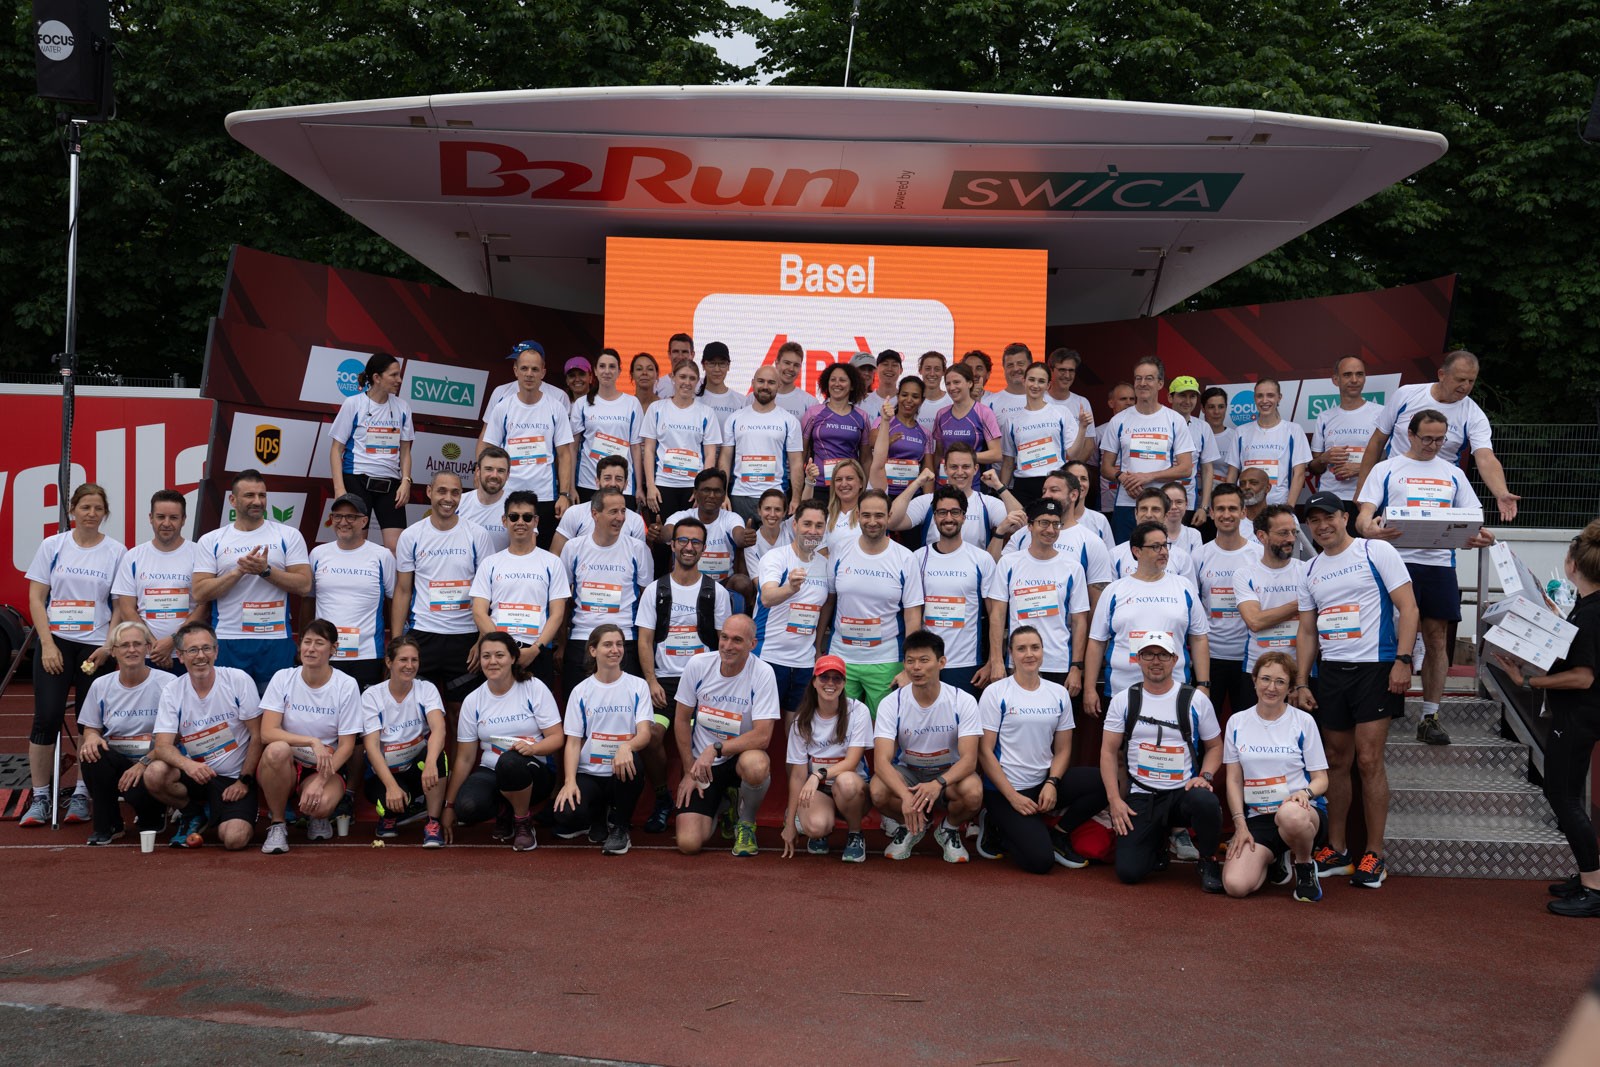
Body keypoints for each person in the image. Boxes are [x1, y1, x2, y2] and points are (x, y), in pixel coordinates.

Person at [1292, 490, 1420, 889]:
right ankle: (1338, 849)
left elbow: (1409, 607)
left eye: (1328, 516)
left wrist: (1403, 660)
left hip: (1376, 668)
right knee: (1336, 760)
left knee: (1368, 760)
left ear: (1345, 517)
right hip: (1332, 672)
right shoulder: (1309, 569)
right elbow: (1307, 631)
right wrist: (1302, 681)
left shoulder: (1374, 551)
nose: (1322, 525)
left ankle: (1374, 854)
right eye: (1314, 520)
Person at [1357, 408, 1496, 745]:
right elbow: (1363, 517)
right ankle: (1381, 712)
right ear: (1410, 434)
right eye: (1427, 438)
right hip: (1394, 562)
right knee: (1387, 636)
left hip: (1438, 564)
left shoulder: (1453, 473)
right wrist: (1369, 529)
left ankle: (1430, 716)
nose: (1433, 445)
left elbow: (1474, 520)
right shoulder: (1386, 468)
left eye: (1440, 439)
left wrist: (1482, 536)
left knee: (1436, 639)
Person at [1490, 520, 1600, 918]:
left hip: (1578, 716)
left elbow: (1583, 676)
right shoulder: (1587, 608)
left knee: (1563, 797)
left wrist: (1528, 680)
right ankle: (1589, 875)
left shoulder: (1589, 615)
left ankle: (1593, 886)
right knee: (1566, 796)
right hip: (1580, 715)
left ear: (1572, 565)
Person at [19, 482, 124, 827]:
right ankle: (40, 797)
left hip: (95, 647)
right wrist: (47, 644)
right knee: (47, 717)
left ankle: (81, 792)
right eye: (85, 507)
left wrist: (108, 646)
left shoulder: (116, 551)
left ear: (105, 513)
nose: (91, 514)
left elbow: (120, 604)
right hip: (57, 643)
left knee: (88, 721)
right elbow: (36, 598)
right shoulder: (53, 546)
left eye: (98, 508)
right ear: (72, 510)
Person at [976, 625, 1110, 873]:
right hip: (1006, 790)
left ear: (1042, 651)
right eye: (1021, 649)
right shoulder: (996, 693)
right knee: (1040, 862)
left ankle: (1059, 833)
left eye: (1035, 647)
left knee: (1106, 782)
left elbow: (1063, 749)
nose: (1029, 654)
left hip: (1042, 784)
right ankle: (995, 822)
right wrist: (1013, 797)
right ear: (1011, 654)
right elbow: (984, 752)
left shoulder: (1058, 693)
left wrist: (1052, 783)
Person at [1099, 632, 1224, 891]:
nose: (1156, 661)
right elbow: (1109, 751)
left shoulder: (1196, 699)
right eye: (1148, 654)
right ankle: (1157, 843)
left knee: (1206, 801)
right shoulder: (1124, 700)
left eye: (1163, 655)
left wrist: (1205, 776)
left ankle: (1208, 859)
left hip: (1183, 792)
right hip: (1142, 794)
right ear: (1138, 659)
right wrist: (1115, 800)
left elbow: (1215, 746)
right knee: (1129, 872)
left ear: (1175, 660)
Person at [638, 515, 733, 831]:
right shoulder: (656, 590)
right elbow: (645, 640)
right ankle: (662, 797)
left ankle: (713, 798)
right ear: (672, 545)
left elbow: (724, 643)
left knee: (700, 739)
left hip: (704, 684)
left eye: (695, 542)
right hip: (665, 683)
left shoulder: (716, 592)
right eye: (683, 540)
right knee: (651, 736)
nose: (689, 547)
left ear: (704, 548)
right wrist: (651, 680)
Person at [1357, 348, 1518, 520]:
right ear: (1442, 374)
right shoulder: (1406, 394)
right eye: (1460, 379)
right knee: (1388, 534)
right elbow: (1377, 441)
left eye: (1471, 381)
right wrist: (1362, 489)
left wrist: (1501, 492)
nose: (1465, 386)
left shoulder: (1473, 414)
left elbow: (1485, 457)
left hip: (1440, 491)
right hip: (1397, 485)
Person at [1221, 650, 1330, 902]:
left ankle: (1304, 865)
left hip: (1302, 814)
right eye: (1266, 679)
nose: (1271, 687)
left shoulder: (1303, 722)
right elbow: (1234, 780)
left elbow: (1321, 779)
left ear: (1290, 688)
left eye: (1280, 682)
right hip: (1259, 816)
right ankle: (1275, 855)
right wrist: (1240, 825)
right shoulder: (1237, 722)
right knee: (1236, 886)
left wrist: (1305, 793)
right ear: (1254, 680)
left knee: (1290, 815)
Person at [145, 620, 263, 850]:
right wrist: (188, 765)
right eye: (192, 650)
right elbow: (162, 746)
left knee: (235, 839)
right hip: (196, 775)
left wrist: (244, 781)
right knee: (155, 773)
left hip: (233, 778)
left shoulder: (238, 680)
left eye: (206, 648)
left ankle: (222, 813)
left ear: (216, 652)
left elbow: (257, 736)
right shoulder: (173, 690)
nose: (201, 656)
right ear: (180, 656)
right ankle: (192, 813)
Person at [193, 470, 312, 694]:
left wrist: (266, 571)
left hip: (275, 639)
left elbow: (304, 585)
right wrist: (238, 572)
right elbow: (199, 592)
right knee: (230, 708)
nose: (257, 501)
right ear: (233, 500)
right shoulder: (211, 540)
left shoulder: (288, 535)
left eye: (262, 495)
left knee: (275, 709)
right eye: (249, 495)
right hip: (228, 639)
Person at [443, 631, 563, 851]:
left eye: (499, 655)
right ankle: (504, 810)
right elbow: (465, 758)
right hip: (492, 769)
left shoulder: (533, 687)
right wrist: (449, 805)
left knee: (510, 762)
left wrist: (533, 748)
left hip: (533, 770)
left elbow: (557, 737)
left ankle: (522, 822)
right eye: (486, 656)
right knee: (467, 807)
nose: (492, 661)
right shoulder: (473, 700)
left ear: (513, 658)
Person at [869, 631, 982, 862]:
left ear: (942, 662)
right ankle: (911, 826)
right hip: (908, 774)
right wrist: (905, 797)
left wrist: (937, 783)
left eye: (924, 660)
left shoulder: (962, 700)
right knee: (878, 789)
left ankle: (948, 828)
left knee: (973, 792)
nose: (916, 668)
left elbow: (969, 760)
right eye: (910, 661)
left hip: (947, 776)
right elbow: (881, 761)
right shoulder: (891, 703)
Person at [672, 615, 780, 857]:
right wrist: (689, 769)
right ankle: (725, 804)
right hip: (703, 765)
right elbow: (681, 719)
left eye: (737, 640)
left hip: (739, 758)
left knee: (757, 765)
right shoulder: (698, 664)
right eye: (724, 637)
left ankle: (746, 822)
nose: (728, 646)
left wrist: (716, 748)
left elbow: (763, 736)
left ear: (752, 644)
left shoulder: (763, 673)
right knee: (688, 844)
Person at [257, 621, 364, 853]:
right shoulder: (283, 677)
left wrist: (320, 781)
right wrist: (312, 741)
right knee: (276, 749)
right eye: (307, 642)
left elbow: (346, 746)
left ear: (333, 649)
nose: (311, 649)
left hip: (324, 765)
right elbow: (267, 732)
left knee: (321, 805)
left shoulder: (346, 685)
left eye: (319, 643)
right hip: (286, 761)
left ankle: (317, 816)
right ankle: (277, 824)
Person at [392, 471, 496, 710]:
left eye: (455, 493)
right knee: (416, 711)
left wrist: (482, 639)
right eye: (442, 491)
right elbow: (403, 590)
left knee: (461, 712)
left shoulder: (477, 535)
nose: (448, 498)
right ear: (429, 492)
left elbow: (488, 592)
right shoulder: (411, 536)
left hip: (465, 637)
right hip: (423, 634)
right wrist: (397, 644)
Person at [1084, 521, 1210, 714]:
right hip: (1122, 690)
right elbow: (1096, 641)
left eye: (1165, 545)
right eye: (1155, 546)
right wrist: (1089, 688)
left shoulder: (1184, 587)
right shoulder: (1114, 590)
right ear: (1137, 551)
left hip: (1175, 690)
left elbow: (1199, 638)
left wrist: (1203, 684)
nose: (1164, 552)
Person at [552, 624, 654, 856]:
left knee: (634, 764)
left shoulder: (637, 686)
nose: (615, 650)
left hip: (622, 770)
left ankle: (620, 828)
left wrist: (627, 746)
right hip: (590, 772)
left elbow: (645, 733)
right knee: (565, 815)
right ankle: (598, 816)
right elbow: (573, 742)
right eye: (607, 644)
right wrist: (569, 781)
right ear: (593, 650)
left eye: (619, 644)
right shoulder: (580, 691)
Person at [76, 621, 175, 845]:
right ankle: (108, 824)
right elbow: (91, 727)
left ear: (147, 648)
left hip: (153, 760)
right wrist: (91, 737)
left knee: (145, 783)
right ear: (113, 651)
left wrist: (144, 763)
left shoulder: (168, 683)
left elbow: (176, 735)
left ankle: (153, 813)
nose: (132, 650)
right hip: (117, 759)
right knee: (91, 754)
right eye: (125, 645)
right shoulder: (100, 685)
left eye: (137, 644)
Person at [828, 490, 925, 715]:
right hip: (842, 657)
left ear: (889, 516)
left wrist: (909, 665)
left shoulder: (905, 557)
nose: (872, 522)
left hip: (886, 660)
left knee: (883, 728)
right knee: (841, 725)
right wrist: (817, 648)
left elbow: (912, 615)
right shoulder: (840, 550)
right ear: (858, 516)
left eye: (879, 515)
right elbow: (830, 600)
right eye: (866, 515)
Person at [469, 489, 571, 696]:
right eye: (514, 517)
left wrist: (535, 649)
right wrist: (504, 649)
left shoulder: (552, 563)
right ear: (504, 520)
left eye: (527, 517)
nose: (520, 522)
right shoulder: (490, 563)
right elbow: (479, 611)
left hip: (537, 652)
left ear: (536, 521)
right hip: (497, 653)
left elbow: (557, 614)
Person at [558, 486, 655, 702]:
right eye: (613, 512)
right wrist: (562, 644)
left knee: (624, 708)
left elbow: (646, 601)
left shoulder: (638, 549)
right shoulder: (573, 548)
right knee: (578, 706)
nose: (620, 518)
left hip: (624, 639)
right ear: (595, 513)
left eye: (623, 511)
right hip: (582, 638)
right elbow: (563, 600)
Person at [985, 499, 1090, 691]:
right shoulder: (1009, 563)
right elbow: (997, 615)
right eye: (1044, 523)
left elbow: (1079, 621)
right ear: (1030, 526)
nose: (1050, 530)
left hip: (1058, 663)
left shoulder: (1073, 568)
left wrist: (1076, 666)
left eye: (1056, 524)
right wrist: (996, 660)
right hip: (1018, 662)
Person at [480, 343, 576, 546]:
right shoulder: (503, 407)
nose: (529, 374)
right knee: (506, 550)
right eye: (524, 368)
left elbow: (564, 455)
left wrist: (564, 494)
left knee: (540, 552)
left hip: (545, 496)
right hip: (508, 493)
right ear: (516, 371)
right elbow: (488, 449)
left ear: (543, 373)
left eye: (534, 369)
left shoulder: (556, 408)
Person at [780, 655, 872, 862]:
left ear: (844, 683)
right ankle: (818, 829)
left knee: (847, 782)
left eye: (836, 678)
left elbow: (852, 762)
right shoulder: (801, 721)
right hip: (820, 791)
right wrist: (789, 824)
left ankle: (855, 834)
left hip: (853, 789)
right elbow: (797, 776)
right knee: (815, 827)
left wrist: (818, 775)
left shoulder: (858, 711)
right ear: (814, 681)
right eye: (824, 677)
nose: (830, 683)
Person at [360, 635, 447, 846]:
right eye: (403, 660)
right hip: (384, 773)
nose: (410, 666)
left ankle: (433, 823)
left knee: (437, 757)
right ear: (389, 662)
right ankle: (392, 815)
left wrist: (430, 764)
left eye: (414, 660)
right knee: (390, 805)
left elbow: (439, 729)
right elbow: (371, 747)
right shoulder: (372, 695)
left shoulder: (426, 689)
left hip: (416, 767)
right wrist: (390, 786)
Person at [1101, 358, 1195, 543]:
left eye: (1149, 378)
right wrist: (1124, 478)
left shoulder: (1174, 419)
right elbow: (1106, 468)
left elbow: (1186, 468)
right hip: (1127, 502)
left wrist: (1148, 477)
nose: (1142, 383)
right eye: (1138, 378)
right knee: (1125, 554)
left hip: (1162, 503)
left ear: (1160, 383)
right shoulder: (1118, 420)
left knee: (1160, 553)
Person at [308, 494, 396, 691]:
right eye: (338, 516)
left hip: (367, 655)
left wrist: (394, 646)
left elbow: (394, 602)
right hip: (326, 653)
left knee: (365, 709)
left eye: (351, 517)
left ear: (364, 521)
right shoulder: (318, 554)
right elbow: (308, 601)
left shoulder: (382, 556)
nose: (343, 522)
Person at [329, 352, 414, 552]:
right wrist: (339, 490)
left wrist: (406, 481)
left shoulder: (403, 407)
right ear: (377, 377)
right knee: (356, 543)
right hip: (356, 479)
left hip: (391, 483)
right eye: (393, 375)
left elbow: (405, 451)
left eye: (399, 374)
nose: (399, 380)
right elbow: (336, 450)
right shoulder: (353, 404)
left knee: (396, 547)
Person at [917, 487, 1001, 691]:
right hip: (926, 663)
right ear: (934, 517)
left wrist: (992, 661)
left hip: (968, 664)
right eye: (942, 512)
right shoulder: (918, 558)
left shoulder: (982, 559)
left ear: (964, 516)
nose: (948, 518)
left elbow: (995, 614)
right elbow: (912, 614)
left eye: (955, 512)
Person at [111, 489, 203, 675]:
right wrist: (154, 645)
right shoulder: (133, 557)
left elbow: (204, 606)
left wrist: (173, 641)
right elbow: (127, 608)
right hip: (147, 654)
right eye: (161, 517)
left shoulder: (199, 554)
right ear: (151, 518)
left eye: (173, 518)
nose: (166, 523)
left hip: (188, 653)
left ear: (184, 520)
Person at [755, 500, 834, 713]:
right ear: (795, 525)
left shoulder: (825, 564)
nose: (813, 531)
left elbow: (826, 606)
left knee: (798, 722)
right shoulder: (776, 558)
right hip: (769, 656)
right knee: (764, 721)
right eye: (807, 524)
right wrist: (790, 588)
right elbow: (767, 597)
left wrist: (817, 648)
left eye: (819, 526)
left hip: (804, 661)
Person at [1194, 484, 1259, 722]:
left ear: (1243, 512)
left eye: (1232, 508)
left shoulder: (1258, 554)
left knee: (1249, 725)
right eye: (1220, 509)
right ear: (1211, 513)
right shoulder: (1199, 555)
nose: (1226, 514)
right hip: (1211, 656)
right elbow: (1194, 608)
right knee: (1205, 725)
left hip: (1249, 657)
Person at [720, 364, 804, 522]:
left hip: (776, 496)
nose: (765, 386)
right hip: (740, 496)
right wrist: (723, 494)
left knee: (774, 539)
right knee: (740, 538)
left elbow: (796, 463)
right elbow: (725, 458)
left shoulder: (789, 421)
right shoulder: (735, 418)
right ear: (753, 383)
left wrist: (795, 498)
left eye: (771, 382)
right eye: (761, 381)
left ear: (779, 385)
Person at [642, 358, 723, 521]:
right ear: (673, 378)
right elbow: (649, 450)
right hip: (663, 485)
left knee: (692, 534)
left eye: (692, 378)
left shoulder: (706, 413)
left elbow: (710, 455)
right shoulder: (656, 409)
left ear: (698, 382)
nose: (687, 382)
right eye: (682, 377)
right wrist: (650, 485)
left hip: (692, 489)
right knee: (663, 535)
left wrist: (702, 488)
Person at [890, 445, 1015, 549]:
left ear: (976, 469)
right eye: (954, 467)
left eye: (966, 467)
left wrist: (999, 486)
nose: (960, 472)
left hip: (974, 570)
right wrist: (916, 483)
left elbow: (1018, 526)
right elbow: (891, 522)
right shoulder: (927, 501)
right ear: (945, 469)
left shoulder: (987, 503)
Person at [1309, 355, 1384, 530]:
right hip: (1330, 499)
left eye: (1359, 374)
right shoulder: (1325, 417)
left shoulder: (1381, 413)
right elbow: (1314, 468)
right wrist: (1324, 458)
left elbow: (1392, 460)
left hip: (1366, 499)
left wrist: (1360, 469)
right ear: (1336, 380)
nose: (1354, 380)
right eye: (1347, 374)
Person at [663, 468, 757, 604]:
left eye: (717, 491)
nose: (712, 495)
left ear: (724, 495)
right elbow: (667, 533)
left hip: (723, 584)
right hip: (688, 581)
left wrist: (744, 537)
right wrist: (660, 533)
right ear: (695, 493)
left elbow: (738, 535)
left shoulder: (732, 518)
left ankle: (737, 617)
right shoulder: (681, 516)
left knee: (742, 583)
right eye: (706, 490)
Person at [1235, 505, 1310, 673]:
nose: (1291, 539)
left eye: (1293, 532)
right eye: (1283, 533)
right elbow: (1255, 621)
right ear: (1262, 536)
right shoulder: (1245, 574)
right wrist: (1304, 601)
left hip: (1300, 670)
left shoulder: (1307, 570)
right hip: (1257, 670)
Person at [1000, 361, 1082, 508]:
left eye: (1041, 381)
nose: (1035, 385)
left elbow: (1073, 454)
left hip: (1055, 481)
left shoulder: (1061, 412)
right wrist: (1002, 494)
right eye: (1031, 380)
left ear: (1048, 385)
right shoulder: (1011, 421)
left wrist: (1083, 427)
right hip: (1023, 485)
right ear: (1024, 381)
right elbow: (1008, 462)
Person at [571, 349, 647, 506]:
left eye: (612, 367)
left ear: (619, 371)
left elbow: (635, 447)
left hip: (623, 485)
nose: (607, 371)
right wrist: (570, 486)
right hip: (588, 482)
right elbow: (572, 448)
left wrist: (639, 487)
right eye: (602, 366)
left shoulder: (632, 403)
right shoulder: (581, 404)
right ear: (595, 371)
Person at [1224, 379, 1309, 507]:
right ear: (1254, 398)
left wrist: (1289, 507)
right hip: (1246, 507)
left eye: (1270, 395)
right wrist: (1231, 504)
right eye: (1260, 396)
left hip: (1278, 506)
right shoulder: (1241, 431)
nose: (1264, 400)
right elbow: (1232, 473)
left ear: (1279, 398)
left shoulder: (1294, 430)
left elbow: (1299, 474)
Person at [802, 362, 873, 506]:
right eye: (833, 380)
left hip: (848, 487)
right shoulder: (813, 413)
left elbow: (866, 459)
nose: (837, 384)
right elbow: (802, 453)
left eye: (842, 380)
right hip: (819, 485)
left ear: (852, 386)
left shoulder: (862, 416)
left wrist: (863, 491)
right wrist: (799, 491)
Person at [548, 454, 648, 556]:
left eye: (618, 479)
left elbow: (640, 558)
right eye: (607, 478)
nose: (613, 484)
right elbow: (556, 554)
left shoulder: (636, 521)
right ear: (597, 481)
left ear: (626, 484)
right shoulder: (575, 513)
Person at [1109, 488, 1199, 587]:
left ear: (1165, 515)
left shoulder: (1182, 557)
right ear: (1136, 513)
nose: (1148, 515)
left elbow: (1190, 594)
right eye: (1144, 509)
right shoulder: (1115, 555)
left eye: (1155, 509)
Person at [869, 375, 933, 502]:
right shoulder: (883, 421)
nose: (909, 400)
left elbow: (928, 470)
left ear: (922, 400)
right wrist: (889, 441)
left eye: (915, 396)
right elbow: (871, 443)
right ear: (898, 396)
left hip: (913, 496)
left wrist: (928, 503)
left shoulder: (925, 433)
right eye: (904, 395)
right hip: (884, 494)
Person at [1166, 375, 1220, 526]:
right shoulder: (1158, 423)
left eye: (1192, 396)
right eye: (1182, 395)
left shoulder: (1203, 427)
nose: (1188, 401)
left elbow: (1207, 469)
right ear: (1170, 397)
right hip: (1160, 500)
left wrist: (1203, 507)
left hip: (1188, 502)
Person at [931, 362, 1002, 473]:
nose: (952, 387)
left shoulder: (984, 412)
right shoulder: (941, 414)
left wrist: (963, 458)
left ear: (969, 383)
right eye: (948, 383)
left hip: (974, 481)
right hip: (946, 481)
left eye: (956, 382)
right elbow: (939, 453)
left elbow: (996, 454)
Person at [455, 445, 512, 551]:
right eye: (489, 469)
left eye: (500, 471)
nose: (494, 475)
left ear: (508, 474)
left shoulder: (516, 506)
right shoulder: (459, 502)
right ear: (478, 471)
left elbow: (526, 550)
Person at [1095, 380, 1136, 518]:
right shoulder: (1099, 432)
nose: (1129, 403)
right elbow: (1093, 467)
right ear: (1111, 403)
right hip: (1106, 502)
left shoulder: (1144, 430)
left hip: (1134, 500)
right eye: (1123, 399)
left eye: (1132, 399)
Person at [816, 457, 867, 556]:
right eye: (839, 479)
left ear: (861, 482)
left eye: (849, 478)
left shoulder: (869, 514)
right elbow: (822, 554)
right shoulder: (826, 517)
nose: (844, 484)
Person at [1064, 459, 1116, 554]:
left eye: (1083, 479)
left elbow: (1111, 556)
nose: (1079, 483)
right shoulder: (1053, 518)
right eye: (1073, 478)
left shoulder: (1099, 520)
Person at [694, 341, 746, 433]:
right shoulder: (693, 399)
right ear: (703, 365)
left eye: (722, 364)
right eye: (712, 363)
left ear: (728, 366)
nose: (717, 369)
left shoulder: (741, 401)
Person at [983, 342, 1033, 434]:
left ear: (1030, 366)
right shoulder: (989, 404)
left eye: (1020, 364)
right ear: (1004, 368)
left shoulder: (1046, 399)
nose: (1015, 369)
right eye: (1010, 365)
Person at [744, 489, 794, 578]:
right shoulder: (751, 543)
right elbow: (757, 581)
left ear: (784, 513)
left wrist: (810, 483)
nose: (772, 514)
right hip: (769, 587)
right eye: (767, 509)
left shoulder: (790, 527)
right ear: (759, 511)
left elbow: (805, 509)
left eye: (777, 509)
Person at [855, 349, 904, 426]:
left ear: (901, 370)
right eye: (885, 364)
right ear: (876, 369)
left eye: (894, 365)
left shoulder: (905, 402)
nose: (889, 369)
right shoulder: (862, 401)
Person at [770, 340, 814, 421]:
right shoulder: (754, 398)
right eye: (787, 363)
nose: (791, 369)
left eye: (796, 365)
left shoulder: (810, 403)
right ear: (777, 363)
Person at [1201, 386, 1236, 484]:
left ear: (1226, 408)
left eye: (1221, 407)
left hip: (1223, 492)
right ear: (1203, 408)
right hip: (1192, 492)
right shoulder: (1193, 434)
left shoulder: (1235, 437)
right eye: (1211, 407)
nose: (1216, 412)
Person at [915, 350, 952, 433]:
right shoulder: (912, 402)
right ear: (920, 370)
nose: (932, 374)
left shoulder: (952, 402)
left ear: (944, 372)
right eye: (928, 369)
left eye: (937, 369)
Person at [654, 332, 696, 399]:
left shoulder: (701, 386)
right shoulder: (657, 385)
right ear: (669, 354)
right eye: (676, 351)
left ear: (692, 355)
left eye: (684, 352)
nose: (680, 356)